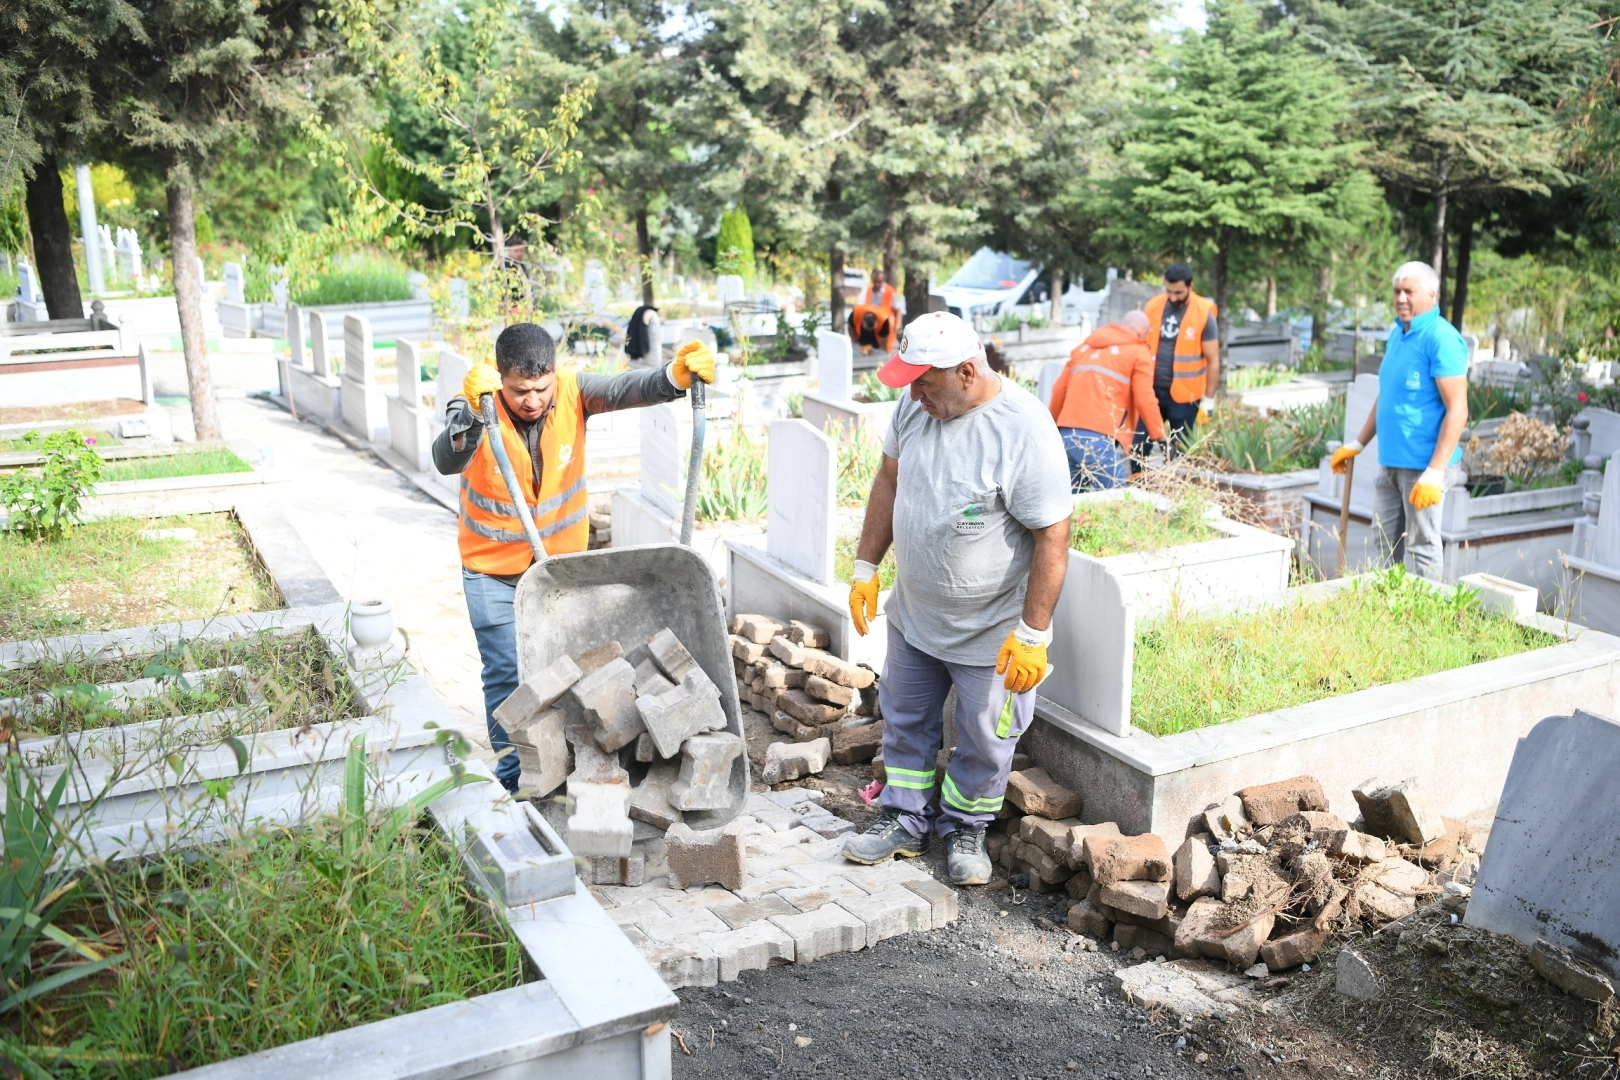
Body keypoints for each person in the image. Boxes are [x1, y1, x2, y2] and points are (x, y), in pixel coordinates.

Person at [841, 311, 1073, 886]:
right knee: (906, 721)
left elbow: (1053, 536)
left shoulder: (1023, 430)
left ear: (967, 371)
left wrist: (1033, 634)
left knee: (984, 739)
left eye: (924, 382)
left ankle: (966, 826)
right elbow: (889, 480)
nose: (914, 395)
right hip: (917, 616)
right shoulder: (914, 409)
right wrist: (866, 567)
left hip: (988, 632)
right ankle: (904, 819)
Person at [433, 323, 715, 792]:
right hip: (492, 572)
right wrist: (473, 418)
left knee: (562, 672)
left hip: (558, 573)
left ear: (554, 374)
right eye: (520, 391)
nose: (533, 399)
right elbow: (446, 459)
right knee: (506, 674)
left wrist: (674, 377)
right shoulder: (474, 402)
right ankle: (514, 781)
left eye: (541, 388)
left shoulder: (573, 391)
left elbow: (626, 388)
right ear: (501, 378)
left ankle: (566, 771)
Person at [1329, 262, 1467, 580]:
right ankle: (1392, 611)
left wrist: (1434, 472)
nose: (1401, 298)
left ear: (1432, 294)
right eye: (1397, 291)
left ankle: (1425, 615)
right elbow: (1387, 396)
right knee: (1386, 544)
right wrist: (1357, 443)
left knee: (1421, 547)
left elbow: (1458, 409)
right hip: (1390, 462)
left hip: (1423, 467)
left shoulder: (1441, 338)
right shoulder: (1398, 334)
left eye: (1409, 291)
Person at [1048, 310, 1164, 490]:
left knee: (1071, 506)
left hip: (1067, 437)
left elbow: (1058, 390)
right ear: (1142, 332)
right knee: (1115, 503)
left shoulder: (1083, 349)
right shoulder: (1139, 352)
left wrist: (1053, 427)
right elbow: (1145, 398)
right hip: (1098, 441)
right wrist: (1160, 435)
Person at [1135, 262, 1219, 455]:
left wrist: (1209, 401)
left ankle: (1173, 483)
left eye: (1179, 293)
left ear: (1191, 286)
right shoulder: (1153, 306)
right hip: (1151, 391)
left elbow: (1213, 360)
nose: (1173, 297)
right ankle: (1138, 482)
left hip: (1185, 397)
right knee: (1139, 445)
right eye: (1169, 291)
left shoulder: (1203, 313)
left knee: (1179, 451)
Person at [849, 268, 901, 354]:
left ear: (883, 280)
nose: (876, 284)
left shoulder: (890, 292)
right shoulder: (867, 290)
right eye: (875, 281)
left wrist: (897, 328)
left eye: (879, 281)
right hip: (869, 323)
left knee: (884, 351)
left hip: (884, 324)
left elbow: (898, 311)